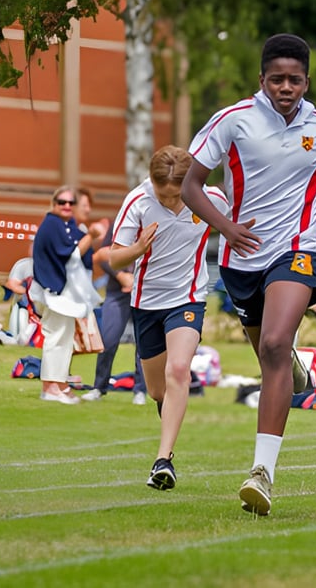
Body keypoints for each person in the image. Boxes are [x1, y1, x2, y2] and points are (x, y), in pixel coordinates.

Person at [181, 33, 316, 515]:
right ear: (261, 80)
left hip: (296, 249)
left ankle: (262, 473)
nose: (286, 87)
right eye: (277, 79)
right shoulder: (232, 121)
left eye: (295, 80)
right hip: (241, 257)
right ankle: (295, 365)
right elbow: (190, 185)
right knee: (271, 352)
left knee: (271, 345)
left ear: (307, 81)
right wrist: (226, 228)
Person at [110, 146, 230, 489]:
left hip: (188, 298)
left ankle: (163, 460)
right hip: (146, 303)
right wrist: (137, 249)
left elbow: (237, 221)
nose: (171, 201)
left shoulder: (210, 199)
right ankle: (169, 418)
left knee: (178, 369)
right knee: (157, 391)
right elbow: (115, 259)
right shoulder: (138, 202)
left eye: (177, 195)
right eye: (163, 195)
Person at [29, 186, 105, 404]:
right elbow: (71, 255)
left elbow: (81, 246)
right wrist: (91, 235)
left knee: (64, 337)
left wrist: (92, 237)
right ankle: (49, 385)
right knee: (56, 336)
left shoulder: (67, 225)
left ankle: (59, 382)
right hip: (52, 290)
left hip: (62, 293)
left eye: (70, 203)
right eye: (62, 202)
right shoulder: (52, 225)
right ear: (54, 204)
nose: (66, 206)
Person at [81, 220, 148, 406]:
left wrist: (138, 279)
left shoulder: (158, 222)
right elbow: (103, 257)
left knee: (143, 343)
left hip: (145, 291)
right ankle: (98, 387)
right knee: (108, 340)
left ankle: (140, 390)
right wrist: (121, 277)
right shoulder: (122, 221)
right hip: (117, 293)